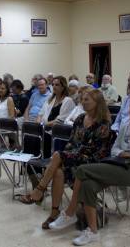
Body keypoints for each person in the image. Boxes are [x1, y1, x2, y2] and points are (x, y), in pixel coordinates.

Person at [47, 95, 130, 246]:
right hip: (117, 163)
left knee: (82, 170)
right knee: (88, 185)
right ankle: (92, 232)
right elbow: (115, 150)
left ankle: (70, 212)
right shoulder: (125, 125)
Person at [18, 90, 112, 231]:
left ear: (97, 103)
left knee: (57, 155)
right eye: (82, 99)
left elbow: (94, 151)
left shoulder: (103, 124)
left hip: (92, 161)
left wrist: (66, 156)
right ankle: (54, 212)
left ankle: (39, 191)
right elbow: (71, 142)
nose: (83, 102)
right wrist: (68, 155)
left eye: (87, 99)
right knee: (58, 172)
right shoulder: (80, 118)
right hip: (74, 156)